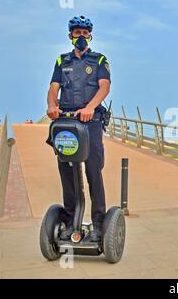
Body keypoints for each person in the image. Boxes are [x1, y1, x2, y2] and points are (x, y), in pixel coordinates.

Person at [46, 15, 111, 242]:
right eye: (77, 32)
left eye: (84, 33)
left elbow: (104, 87)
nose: (81, 36)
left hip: (90, 122)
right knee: (67, 172)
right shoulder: (61, 61)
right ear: (70, 35)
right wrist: (52, 105)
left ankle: (99, 224)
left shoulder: (99, 60)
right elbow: (53, 88)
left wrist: (90, 108)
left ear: (89, 35)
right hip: (66, 122)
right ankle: (70, 220)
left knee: (93, 171)